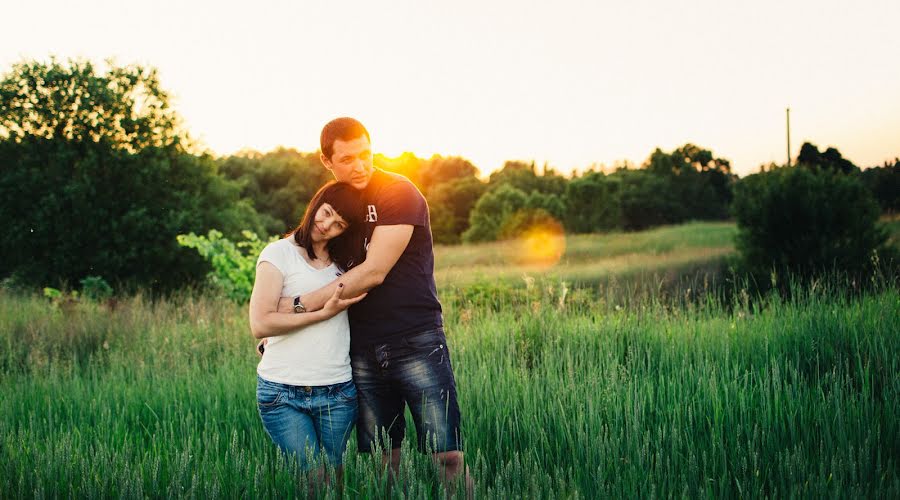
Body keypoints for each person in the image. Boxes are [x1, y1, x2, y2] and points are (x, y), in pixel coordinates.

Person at [272, 117, 471, 490]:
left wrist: (294, 306)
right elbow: (312, 266)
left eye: (365, 154)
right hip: (360, 346)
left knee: (446, 455)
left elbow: (374, 271)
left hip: (415, 339)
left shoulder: (398, 191)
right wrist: (274, 328)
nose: (360, 166)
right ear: (326, 161)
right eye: (347, 159)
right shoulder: (336, 207)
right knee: (385, 459)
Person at [248, 181, 367, 484]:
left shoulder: (347, 263)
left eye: (339, 224)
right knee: (315, 478)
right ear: (317, 203)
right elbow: (260, 324)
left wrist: (291, 309)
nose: (327, 226)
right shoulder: (278, 253)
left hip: (337, 390)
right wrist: (321, 313)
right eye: (326, 213)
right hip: (282, 392)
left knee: (336, 479)